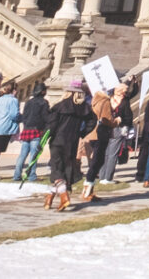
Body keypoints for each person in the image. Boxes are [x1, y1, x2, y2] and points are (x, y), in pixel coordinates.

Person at [44, 80, 94, 211]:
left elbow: (51, 126)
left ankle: (64, 196)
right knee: (64, 169)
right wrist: (83, 132)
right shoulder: (84, 108)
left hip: (58, 141)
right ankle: (49, 198)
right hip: (72, 142)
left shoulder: (60, 106)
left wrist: (42, 140)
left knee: (56, 169)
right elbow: (92, 121)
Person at [83, 85, 121, 200]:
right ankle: (87, 190)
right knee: (97, 161)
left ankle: (89, 189)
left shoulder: (96, 99)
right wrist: (116, 121)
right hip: (100, 134)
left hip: (93, 133)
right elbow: (106, 119)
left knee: (96, 161)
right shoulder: (105, 102)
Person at [99, 78, 137, 185]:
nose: (126, 92)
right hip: (118, 128)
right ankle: (108, 177)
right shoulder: (124, 102)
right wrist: (127, 126)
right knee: (113, 154)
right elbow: (128, 117)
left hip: (106, 127)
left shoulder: (109, 99)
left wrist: (130, 82)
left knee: (105, 152)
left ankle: (102, 176)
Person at [13, 83, 50, 182]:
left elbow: (24, 116)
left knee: (22, 155)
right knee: (34, 155)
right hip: (36, 130)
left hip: (26, 129)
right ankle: (31, 175)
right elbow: (45, 117)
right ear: (42, 91)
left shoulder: (28, 102)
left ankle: (17, 175)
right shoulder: (44, 103)